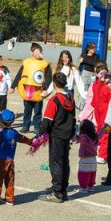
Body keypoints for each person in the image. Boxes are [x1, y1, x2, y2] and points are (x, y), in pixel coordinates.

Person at [0, 110, 33, 206]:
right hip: (11, 160)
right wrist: (33, 142)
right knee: (10, 178)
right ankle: (10, 198)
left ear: (1, 122)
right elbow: (24, 139)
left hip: (1, 160)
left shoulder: (1, 134)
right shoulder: (15, 133)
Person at [39, 73, 77, 203]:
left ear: (54, 84)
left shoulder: (54, 100)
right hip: (67, 135)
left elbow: (47, 120)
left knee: (56, 163)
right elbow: (73, 118)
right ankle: (63, 190)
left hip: (56, 136)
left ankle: (56, 192)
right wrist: (72, 133)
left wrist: (40, 136)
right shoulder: (71, 98)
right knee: (64, 162)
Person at [12, 43, 52, 134]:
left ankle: (37, 127)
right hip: (27, 91)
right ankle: (25, 126)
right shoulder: (26, 62)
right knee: (27, 109)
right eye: (36, 51)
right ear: (32, 52)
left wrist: (45, 89)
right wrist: (12, 86)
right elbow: (19, 74)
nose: (38, 53)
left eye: (40, 51)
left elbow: (49, 77)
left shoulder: (45, 64)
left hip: (39, 91)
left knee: (38, 111)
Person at [75, 119, 99, 192]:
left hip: (85, 159)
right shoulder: (95, 136)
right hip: (93, 159)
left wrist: (74, 134)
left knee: (83, 174)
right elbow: (102, 132)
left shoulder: (84, 137)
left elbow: (76, 138)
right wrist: (106, 127)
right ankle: (91, 186)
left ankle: (83, 187)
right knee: (92, 173)